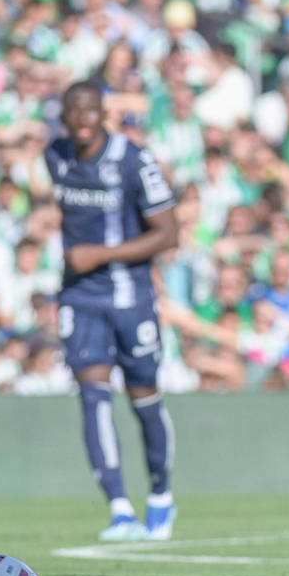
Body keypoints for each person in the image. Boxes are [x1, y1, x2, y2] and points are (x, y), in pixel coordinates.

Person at [47, 81, 181, 542]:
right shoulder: (55, 156)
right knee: (93, 395)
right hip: (81, 297)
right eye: (74, 110)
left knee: (144, 399)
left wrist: (99, 255)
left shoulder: (133, 159)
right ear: (64, 116)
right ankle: (120, 509)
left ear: (103, 113)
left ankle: (161, 495)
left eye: (90, 110)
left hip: (130, 297)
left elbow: (168, 233)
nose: (82, 119)